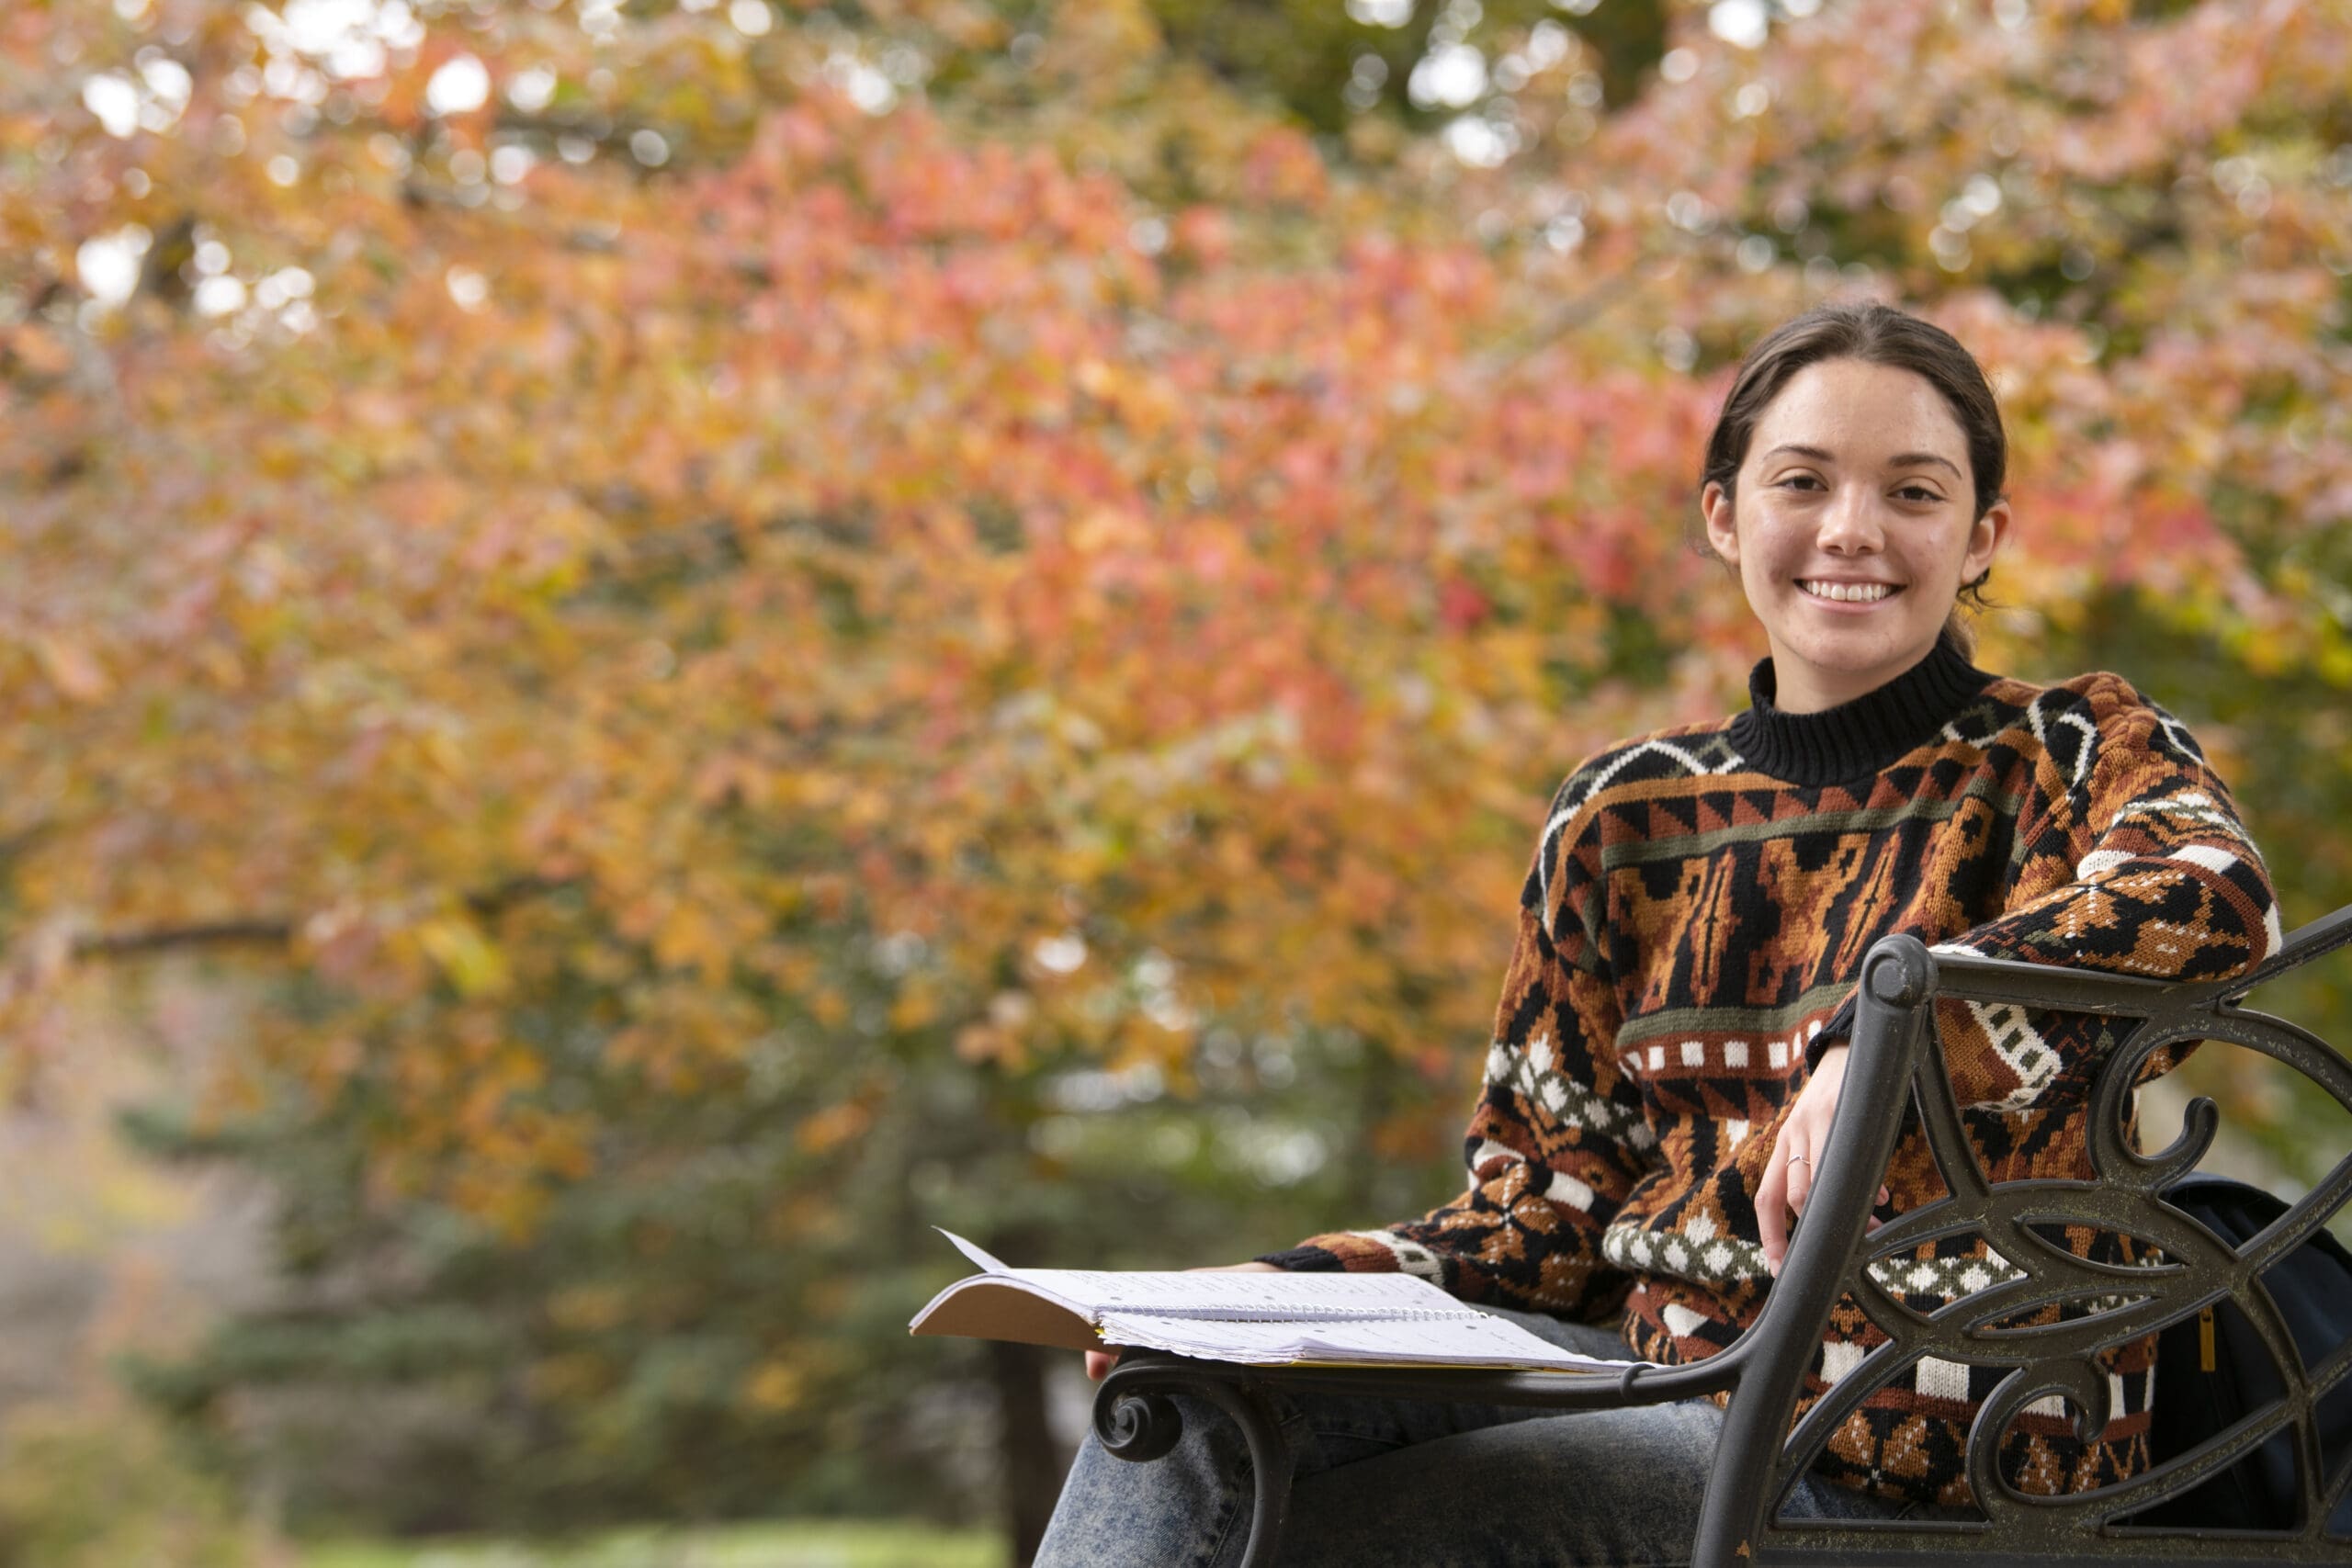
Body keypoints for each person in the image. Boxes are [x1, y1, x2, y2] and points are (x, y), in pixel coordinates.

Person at [1033, 300, 2282, 1568]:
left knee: (1359, 1533)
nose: (1853, 529)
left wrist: (1897, 1038)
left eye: (1914, 491)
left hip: (1931, 1457)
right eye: (1804, 481)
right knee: (1179, 1405)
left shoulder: (2064, 755)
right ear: (1725, 514)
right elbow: (1539, 1222)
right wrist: (1278, 1296)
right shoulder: (1620, 818)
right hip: (1653, 1377)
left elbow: (2217, 897)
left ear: (1980, 539)